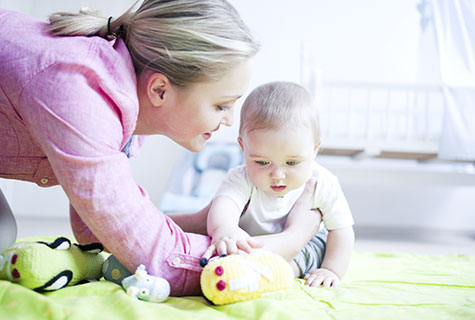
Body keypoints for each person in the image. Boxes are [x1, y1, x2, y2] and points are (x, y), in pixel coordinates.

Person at [0, 1, 320, 296]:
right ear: (160, 90)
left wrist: (205, 220)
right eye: (222, 105)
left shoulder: (116, 94)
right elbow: (161, 258)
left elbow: (96, 230)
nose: (229, 121)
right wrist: (292, 241)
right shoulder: (81, 96)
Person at [204, 81, 355, 287]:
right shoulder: (242, 177)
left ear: (315, 149)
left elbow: (342, 230)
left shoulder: (322, 182)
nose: (277, 175)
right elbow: (224, 204)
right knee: (218, 245)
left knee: (318, 246)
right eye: (262, 162)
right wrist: (226, 228)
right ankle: (262, 270)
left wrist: (331, 269)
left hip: (303, 246)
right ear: (243, 147)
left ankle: (283, 272)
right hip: (253, 243)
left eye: (292, 163)